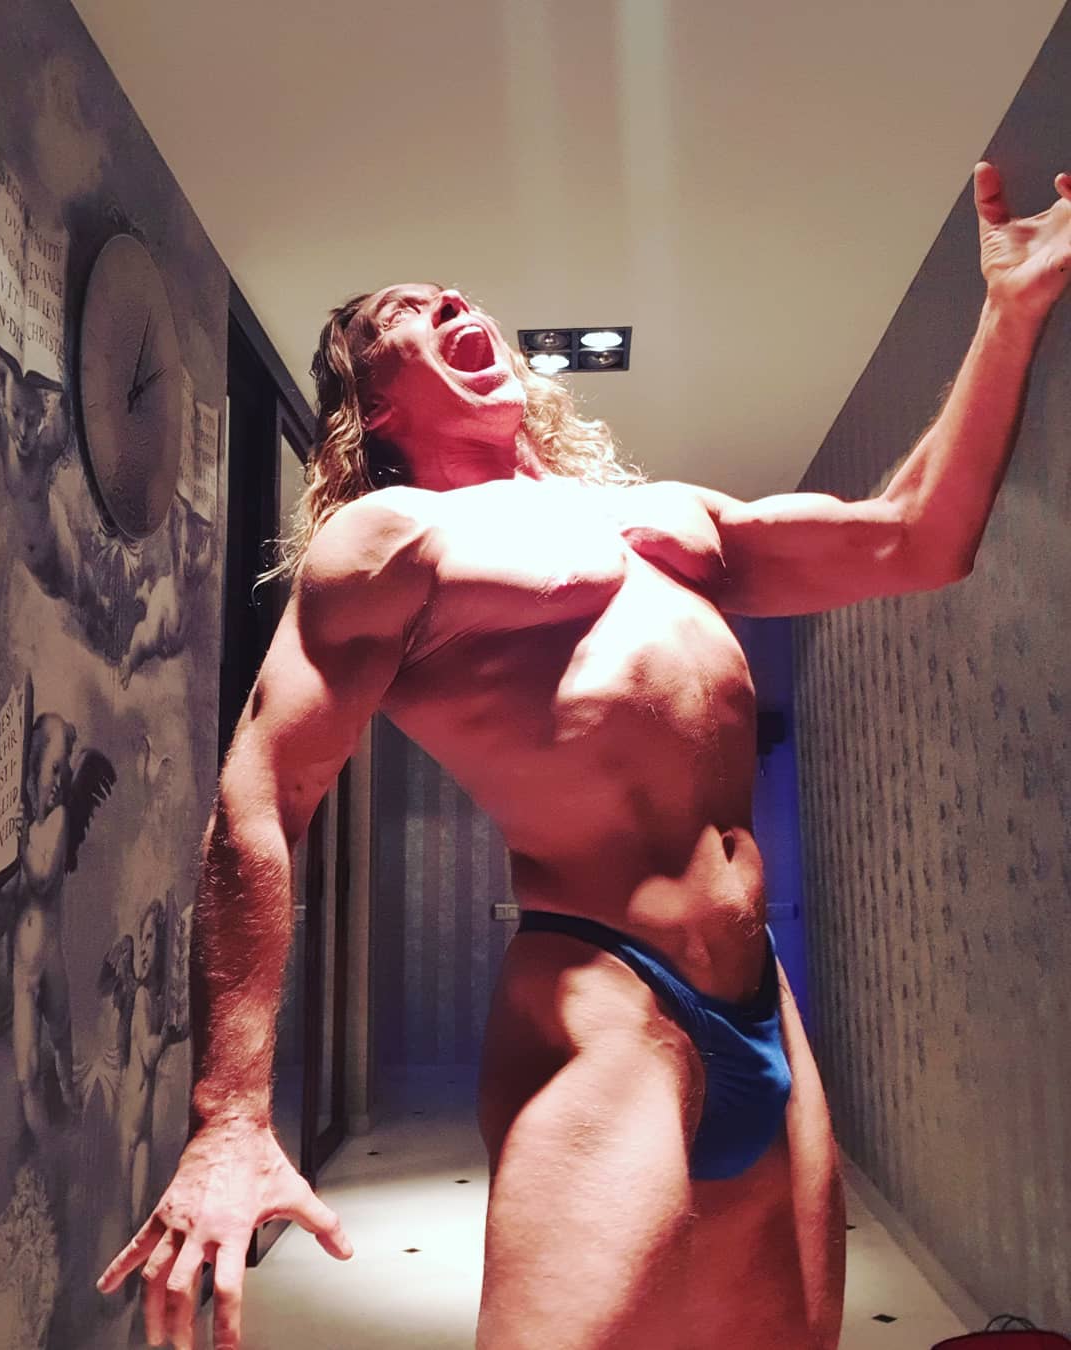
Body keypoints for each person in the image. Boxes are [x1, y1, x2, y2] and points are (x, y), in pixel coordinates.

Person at [98, 162, 1071, 1350]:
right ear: (374, 408)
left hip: (759, 994)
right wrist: (229, 1114)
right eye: (406, 314)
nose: (449, 301)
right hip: (607, 1001)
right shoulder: (391, 536)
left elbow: (919, 537)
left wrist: (1011, 312)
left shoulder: (672, 517)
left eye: (457, 295)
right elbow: (259, 798)